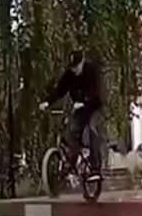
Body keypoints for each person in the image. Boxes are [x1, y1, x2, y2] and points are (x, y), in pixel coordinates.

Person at [39, 50, 102, 181]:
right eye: (72, 68)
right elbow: (59, 90)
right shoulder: (69, 74)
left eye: (76, 67)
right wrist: (47, 102)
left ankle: (95, 168)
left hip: (93, 107)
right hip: (79, 109)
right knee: (71, 132)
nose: (74, 70)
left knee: (91, 129)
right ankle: (73, 162)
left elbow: (95, 92)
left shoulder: (90, 71)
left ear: (82, 62)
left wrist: (85, 101)